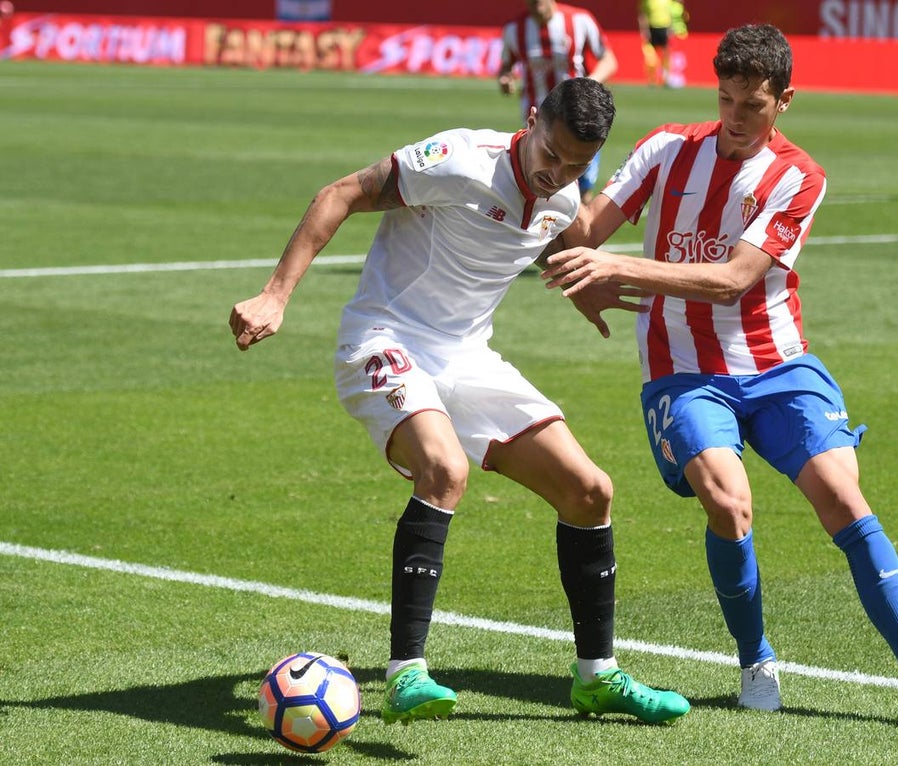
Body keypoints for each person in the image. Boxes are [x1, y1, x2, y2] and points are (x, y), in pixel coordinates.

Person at [539, 24, 898, 729]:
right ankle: (756, 659)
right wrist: (570, 260)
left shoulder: (799, 177)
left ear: (785, 101)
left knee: (842, 497)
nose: (736, 118)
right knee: (728, 501)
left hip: (779, 364)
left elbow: (733, 281)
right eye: (725, 100)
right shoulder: (665, 150)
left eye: (752, 105)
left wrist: (618, 268)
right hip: (683, 370)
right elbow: (579, 235)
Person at [228, 77, 688, 726]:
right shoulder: (460, 160)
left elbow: (559, 234)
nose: (554, 172)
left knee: (590, 491)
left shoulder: (564, 192)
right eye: (549, 153)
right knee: (444, 470)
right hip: (384, 340)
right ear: (531, 121)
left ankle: (597, 677)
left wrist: (581, 282)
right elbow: (341, 194)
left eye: (576, 166)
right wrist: (276, 294)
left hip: (468, 358)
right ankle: (405, 673)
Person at [498, 0, 618, 204]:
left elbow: (609, 60)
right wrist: (505, 79)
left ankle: (579, 236)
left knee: (581, 193)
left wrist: (584, 89)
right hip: (537, 124)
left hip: (577, 121)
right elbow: (505, 66)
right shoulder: (514, 29)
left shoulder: (579, 20)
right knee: (534, 192)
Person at [638, 0, 674, 87]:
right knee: (651, 55)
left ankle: (666, 78)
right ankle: (652, 79)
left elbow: (671, 14)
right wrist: (644, 30)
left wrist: (670, 28)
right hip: (652, 28)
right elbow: (642, 14)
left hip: (664, 28)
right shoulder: (647, 1)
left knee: (666, 54)